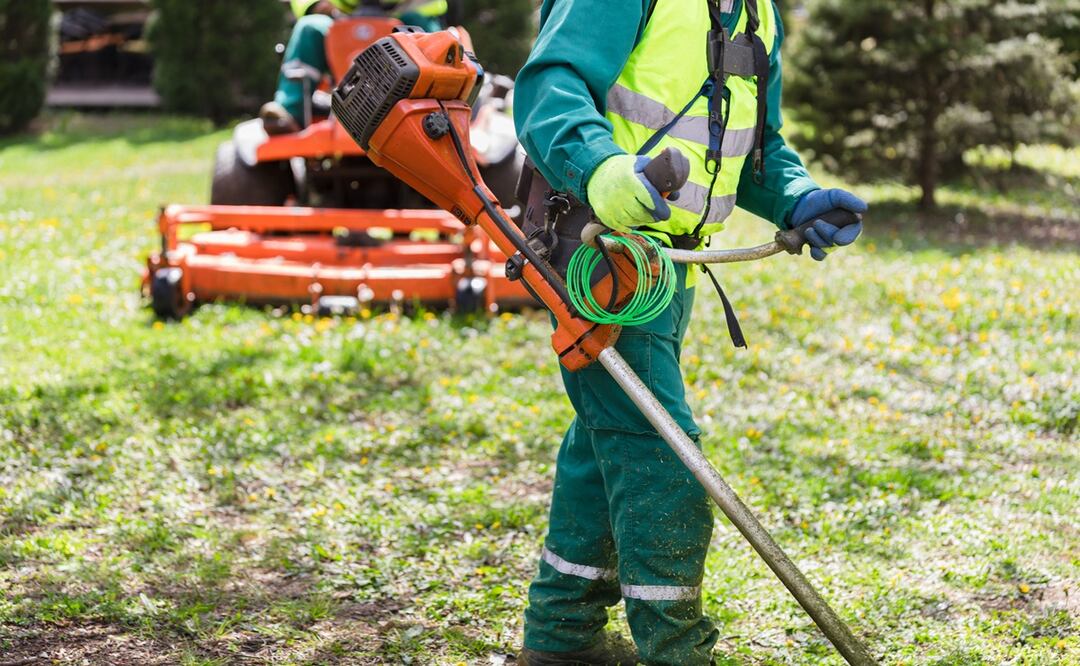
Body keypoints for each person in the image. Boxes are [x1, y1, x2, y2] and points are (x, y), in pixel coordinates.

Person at [513, 1, 867, 664]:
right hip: (600, 252)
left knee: (609, 441)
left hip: (673, 271)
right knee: (663, 457)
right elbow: (547, 89)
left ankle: (560, 638)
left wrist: (795, 195)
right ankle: (677, 652)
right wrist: (605, 171)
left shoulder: (757, 14)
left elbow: (757, 143)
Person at [260, 0, 448, 134]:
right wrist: (314, 4)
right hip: (340, 19)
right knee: (309, 28)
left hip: (406, 18)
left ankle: (435, 114)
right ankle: (290, 112)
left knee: (432, 42)